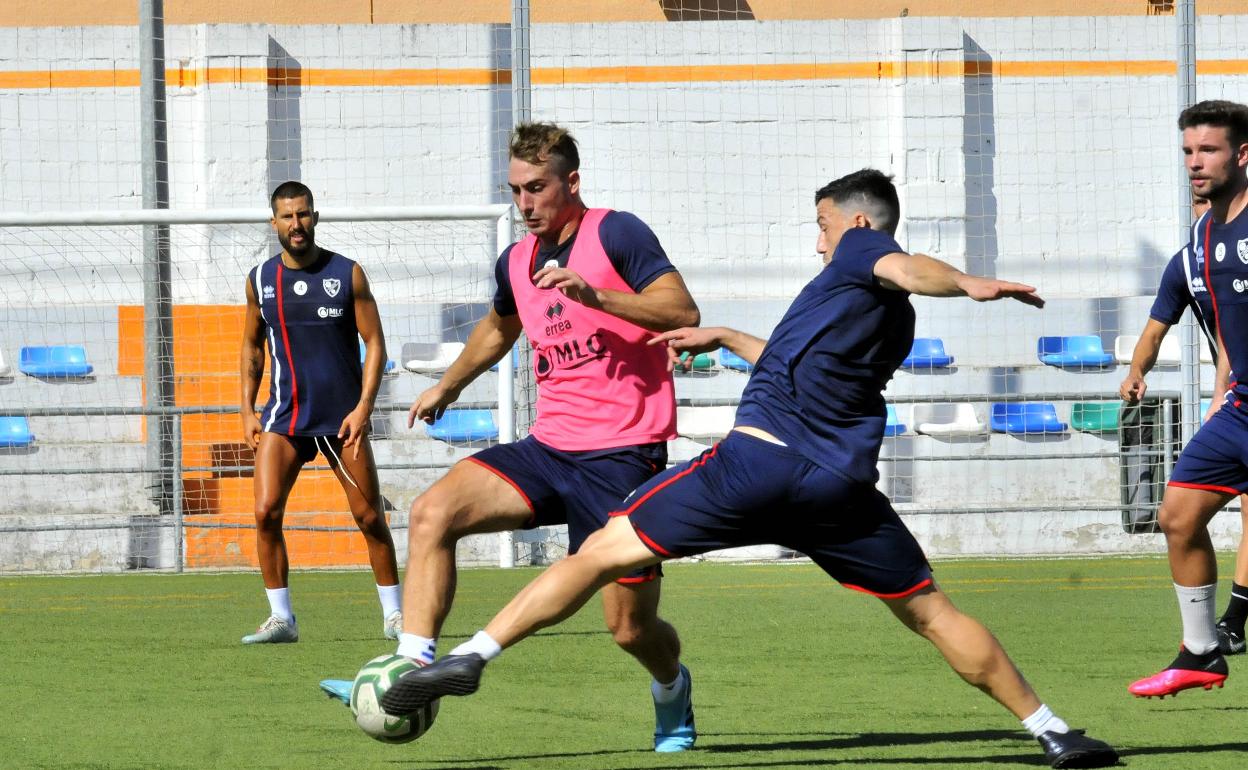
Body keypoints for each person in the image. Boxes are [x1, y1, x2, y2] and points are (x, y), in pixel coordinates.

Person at [379, 169, 1119, 770]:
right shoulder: (883, 316)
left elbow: (907, 264)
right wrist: (727, 335)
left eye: (822, 226)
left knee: (603, 549)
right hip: (837, 488)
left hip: (756, 464)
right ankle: (1051, 730)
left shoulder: (865, 254)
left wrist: (968, 281)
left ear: (855, 224)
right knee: (930, 611)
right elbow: (810, 364)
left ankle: (475, 654)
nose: (819, 241)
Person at [388, 122, 702, 752]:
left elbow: (682, 312)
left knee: (629, 630)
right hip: (550, 448)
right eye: (515, 190)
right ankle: (411, 670)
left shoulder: (617, 232)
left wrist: (599, 296)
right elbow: (498, 329)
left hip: (623, 456)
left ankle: (672, 687)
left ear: (571, 182)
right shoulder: (516, 260)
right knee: (432, 513)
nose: (524, 204)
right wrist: (449, 385)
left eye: (537, 188)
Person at [239, 181, 402, 644]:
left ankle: (394, 616)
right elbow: (251, 346)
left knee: (370, 518)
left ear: (315, 216)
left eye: (304, 214)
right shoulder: (260, 280)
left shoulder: (347, 274)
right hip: (285, 416)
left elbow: (375, 343)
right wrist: (247, 410)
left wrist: (364, 407)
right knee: (266, 511)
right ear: (274, 222)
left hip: (341, 419)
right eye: (287, 216)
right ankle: (281, 619)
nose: (297, 224)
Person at [1128, 99, 1248, 697]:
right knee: (1177, 516)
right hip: (1242, 409)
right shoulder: (1200, 238)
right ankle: (1201, 651)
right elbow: (1225, 328)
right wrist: (1225, 392)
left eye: (1209, 150)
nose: (1195, 163)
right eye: (1188, 152)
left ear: (1243, 155)